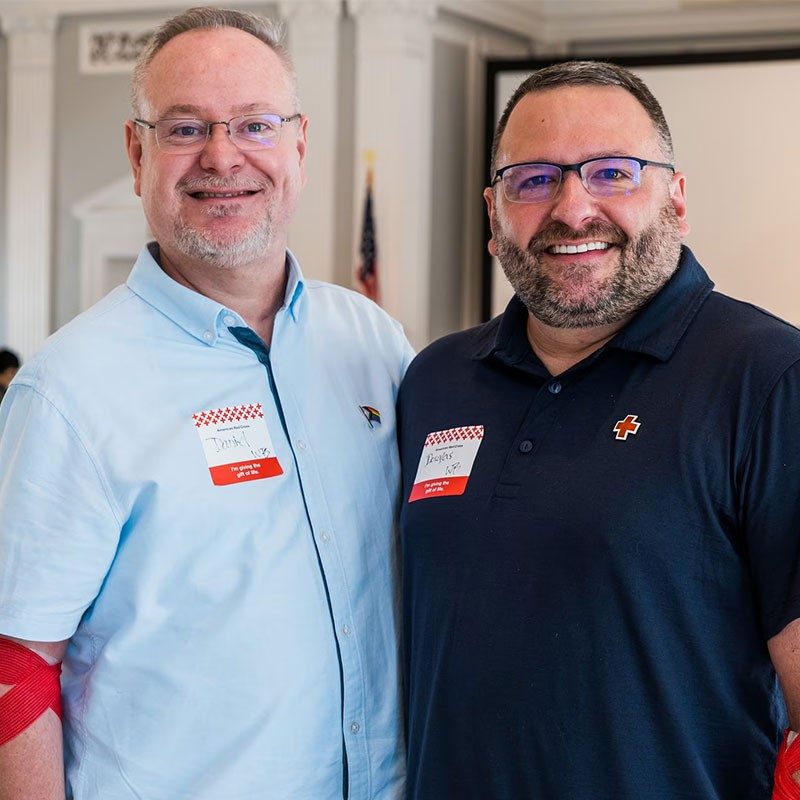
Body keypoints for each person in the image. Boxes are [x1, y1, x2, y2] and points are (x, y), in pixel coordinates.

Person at [0, 7, 411, 799]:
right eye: (185, 127)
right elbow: (15, 665)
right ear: (137, 151)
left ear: (298, 142)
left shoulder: (373, 342)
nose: (222, 158)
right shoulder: (68, 390)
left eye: (254, 124)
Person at [397, 60, 800, 799]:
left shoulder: (769, 376)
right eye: (534, 179)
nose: (573, 208)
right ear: (493, 213)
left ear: (675, 197)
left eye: (612, 172)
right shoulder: (435, 382)